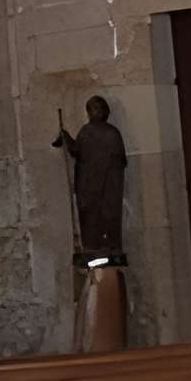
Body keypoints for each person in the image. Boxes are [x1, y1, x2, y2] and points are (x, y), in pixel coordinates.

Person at [50, 95, 127, 264]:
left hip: (93, 188)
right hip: (108, 189)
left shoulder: (88, 131)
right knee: (106, 217)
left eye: (91, 110)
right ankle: (110, 247)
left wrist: (66, 136)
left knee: (93, 218)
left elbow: (76, 151)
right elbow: (120, 161)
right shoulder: (113, 133)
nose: (90, 114)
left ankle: (96, 248)